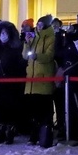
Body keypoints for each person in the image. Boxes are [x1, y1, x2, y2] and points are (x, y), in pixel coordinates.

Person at [0, 21, 24, 144]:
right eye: (1, 33)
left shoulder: (16, 50)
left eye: (5, 33)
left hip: (11, 86)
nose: (3, 35)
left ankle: (10, 134)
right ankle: (0, 133)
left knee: (11, 111)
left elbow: (19, 68)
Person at [22, 13, 56, 145]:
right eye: (38, 24)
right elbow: (25, 56)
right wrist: (27, 43)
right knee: (33, 112)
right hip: (31, 81)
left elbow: (49, 56)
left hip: (43, 80)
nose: (38, 27)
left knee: (44, 111)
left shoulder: (51, 38)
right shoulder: (34, 37)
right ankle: (34, 135)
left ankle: (45, 136)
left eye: (41, 25)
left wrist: (36, 56)